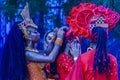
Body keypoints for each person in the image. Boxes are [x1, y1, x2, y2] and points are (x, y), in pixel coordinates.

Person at [0, 3, 67, 80]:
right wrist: (59, 39)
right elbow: (50, 58)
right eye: (35, 32)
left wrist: (54, 37)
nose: (38, 34)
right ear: (27, 36)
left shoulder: (33, 51)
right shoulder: (27, 53)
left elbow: (47, 52)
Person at [65, 3, 119, 80]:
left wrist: (76, 58)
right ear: (106, 37)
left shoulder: (83, 58)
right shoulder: (112, 59)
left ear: (90, 36)